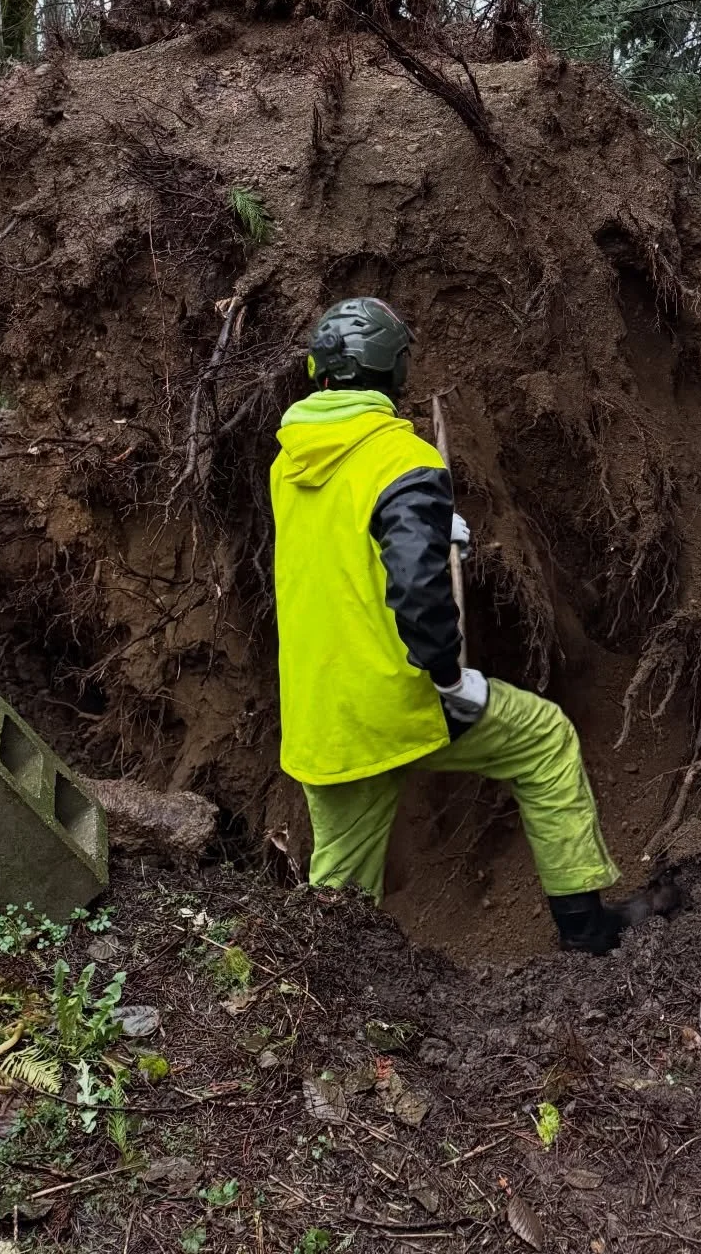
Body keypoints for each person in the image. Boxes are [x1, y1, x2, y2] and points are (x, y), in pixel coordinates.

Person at [269, 294, 634, 954]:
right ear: (393, 373)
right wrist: (444, 673)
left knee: (339, 893)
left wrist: (432, 530)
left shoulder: (290, 460)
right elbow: (414, 587)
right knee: (545, 741)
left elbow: (344, 560)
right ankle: (587, 932)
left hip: (321, 713)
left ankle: (314, 1004)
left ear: (321, 374)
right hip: (393, 699)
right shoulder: (401, 461)